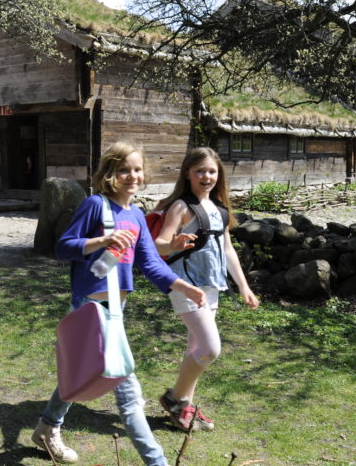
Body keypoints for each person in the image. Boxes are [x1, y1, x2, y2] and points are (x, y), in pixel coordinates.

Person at [32, 142, 206, 466]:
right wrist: (103, 241)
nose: (132, 176)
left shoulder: (136, 215)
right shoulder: (95, 205)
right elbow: (63, 247)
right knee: (128, 393)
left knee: (83, 370)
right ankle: (158, 462)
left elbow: (151, 263)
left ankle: (46, 427)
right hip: (91, 308)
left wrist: (185, 287)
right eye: (124, 169)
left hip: (117, 311)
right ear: (110, 173)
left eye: (137, 169)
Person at [153, 147, 260, 432]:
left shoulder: (220, 209)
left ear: (219, 174)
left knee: (196, 348)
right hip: (186, 285)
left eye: (212, 171)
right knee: (210, 349)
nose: (206, 176)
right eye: (200, 170)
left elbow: (227, 250)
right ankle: (175, 398)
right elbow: (158, 244)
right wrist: (173, 243)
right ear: (188, 173)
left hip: (211, 285)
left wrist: (244, 287)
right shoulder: (181, 207)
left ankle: (185, 407)